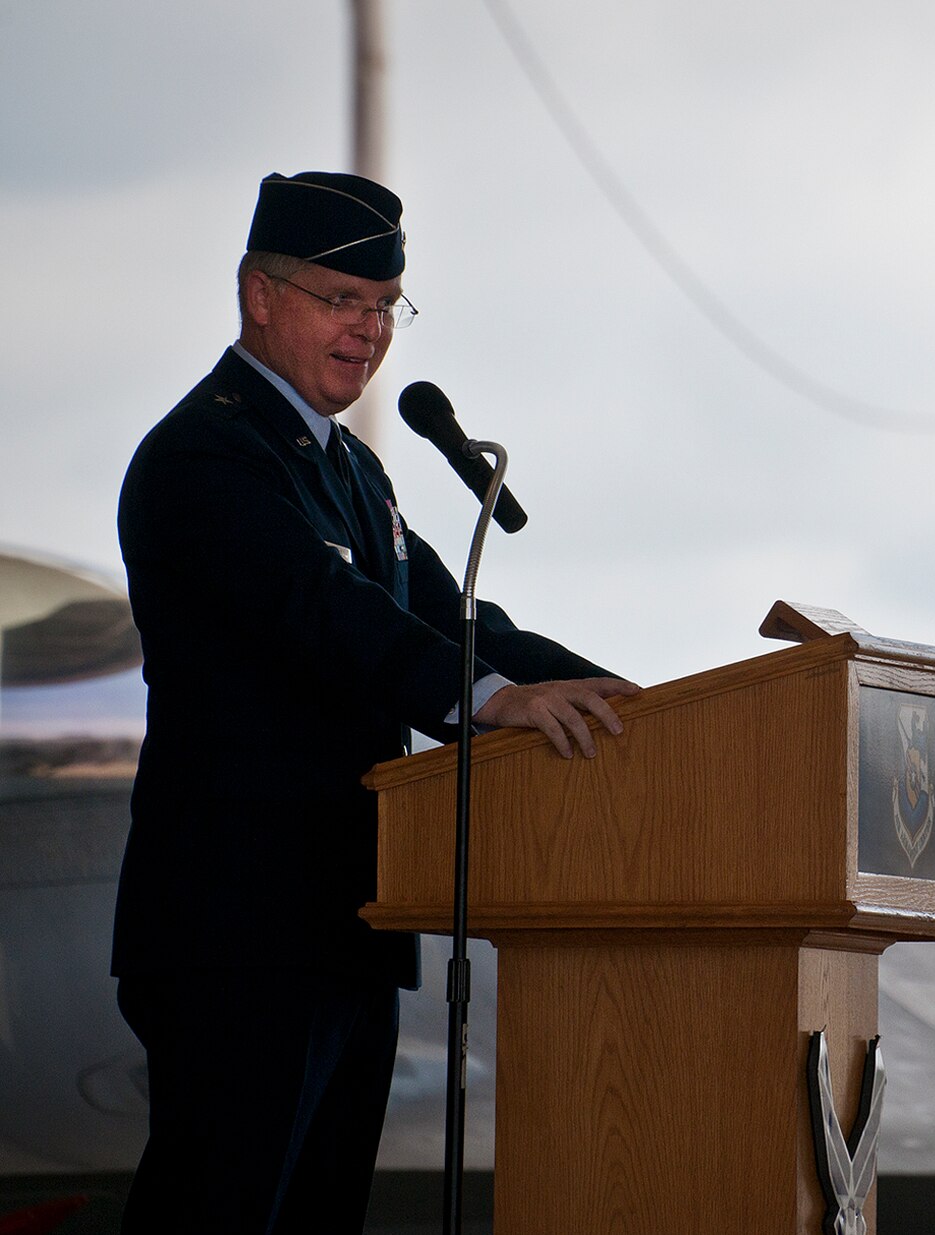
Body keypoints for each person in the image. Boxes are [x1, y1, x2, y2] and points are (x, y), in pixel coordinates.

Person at [111, 170, 640, 1233]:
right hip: (237, 923)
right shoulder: (206, 455)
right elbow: (328, 611)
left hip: (348, 916)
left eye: (384, 304)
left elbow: (457, 625)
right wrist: (489, 701)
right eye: (338, 299)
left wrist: (641, 700)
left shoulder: (353, 469)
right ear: (259, 294)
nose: (366, 332)